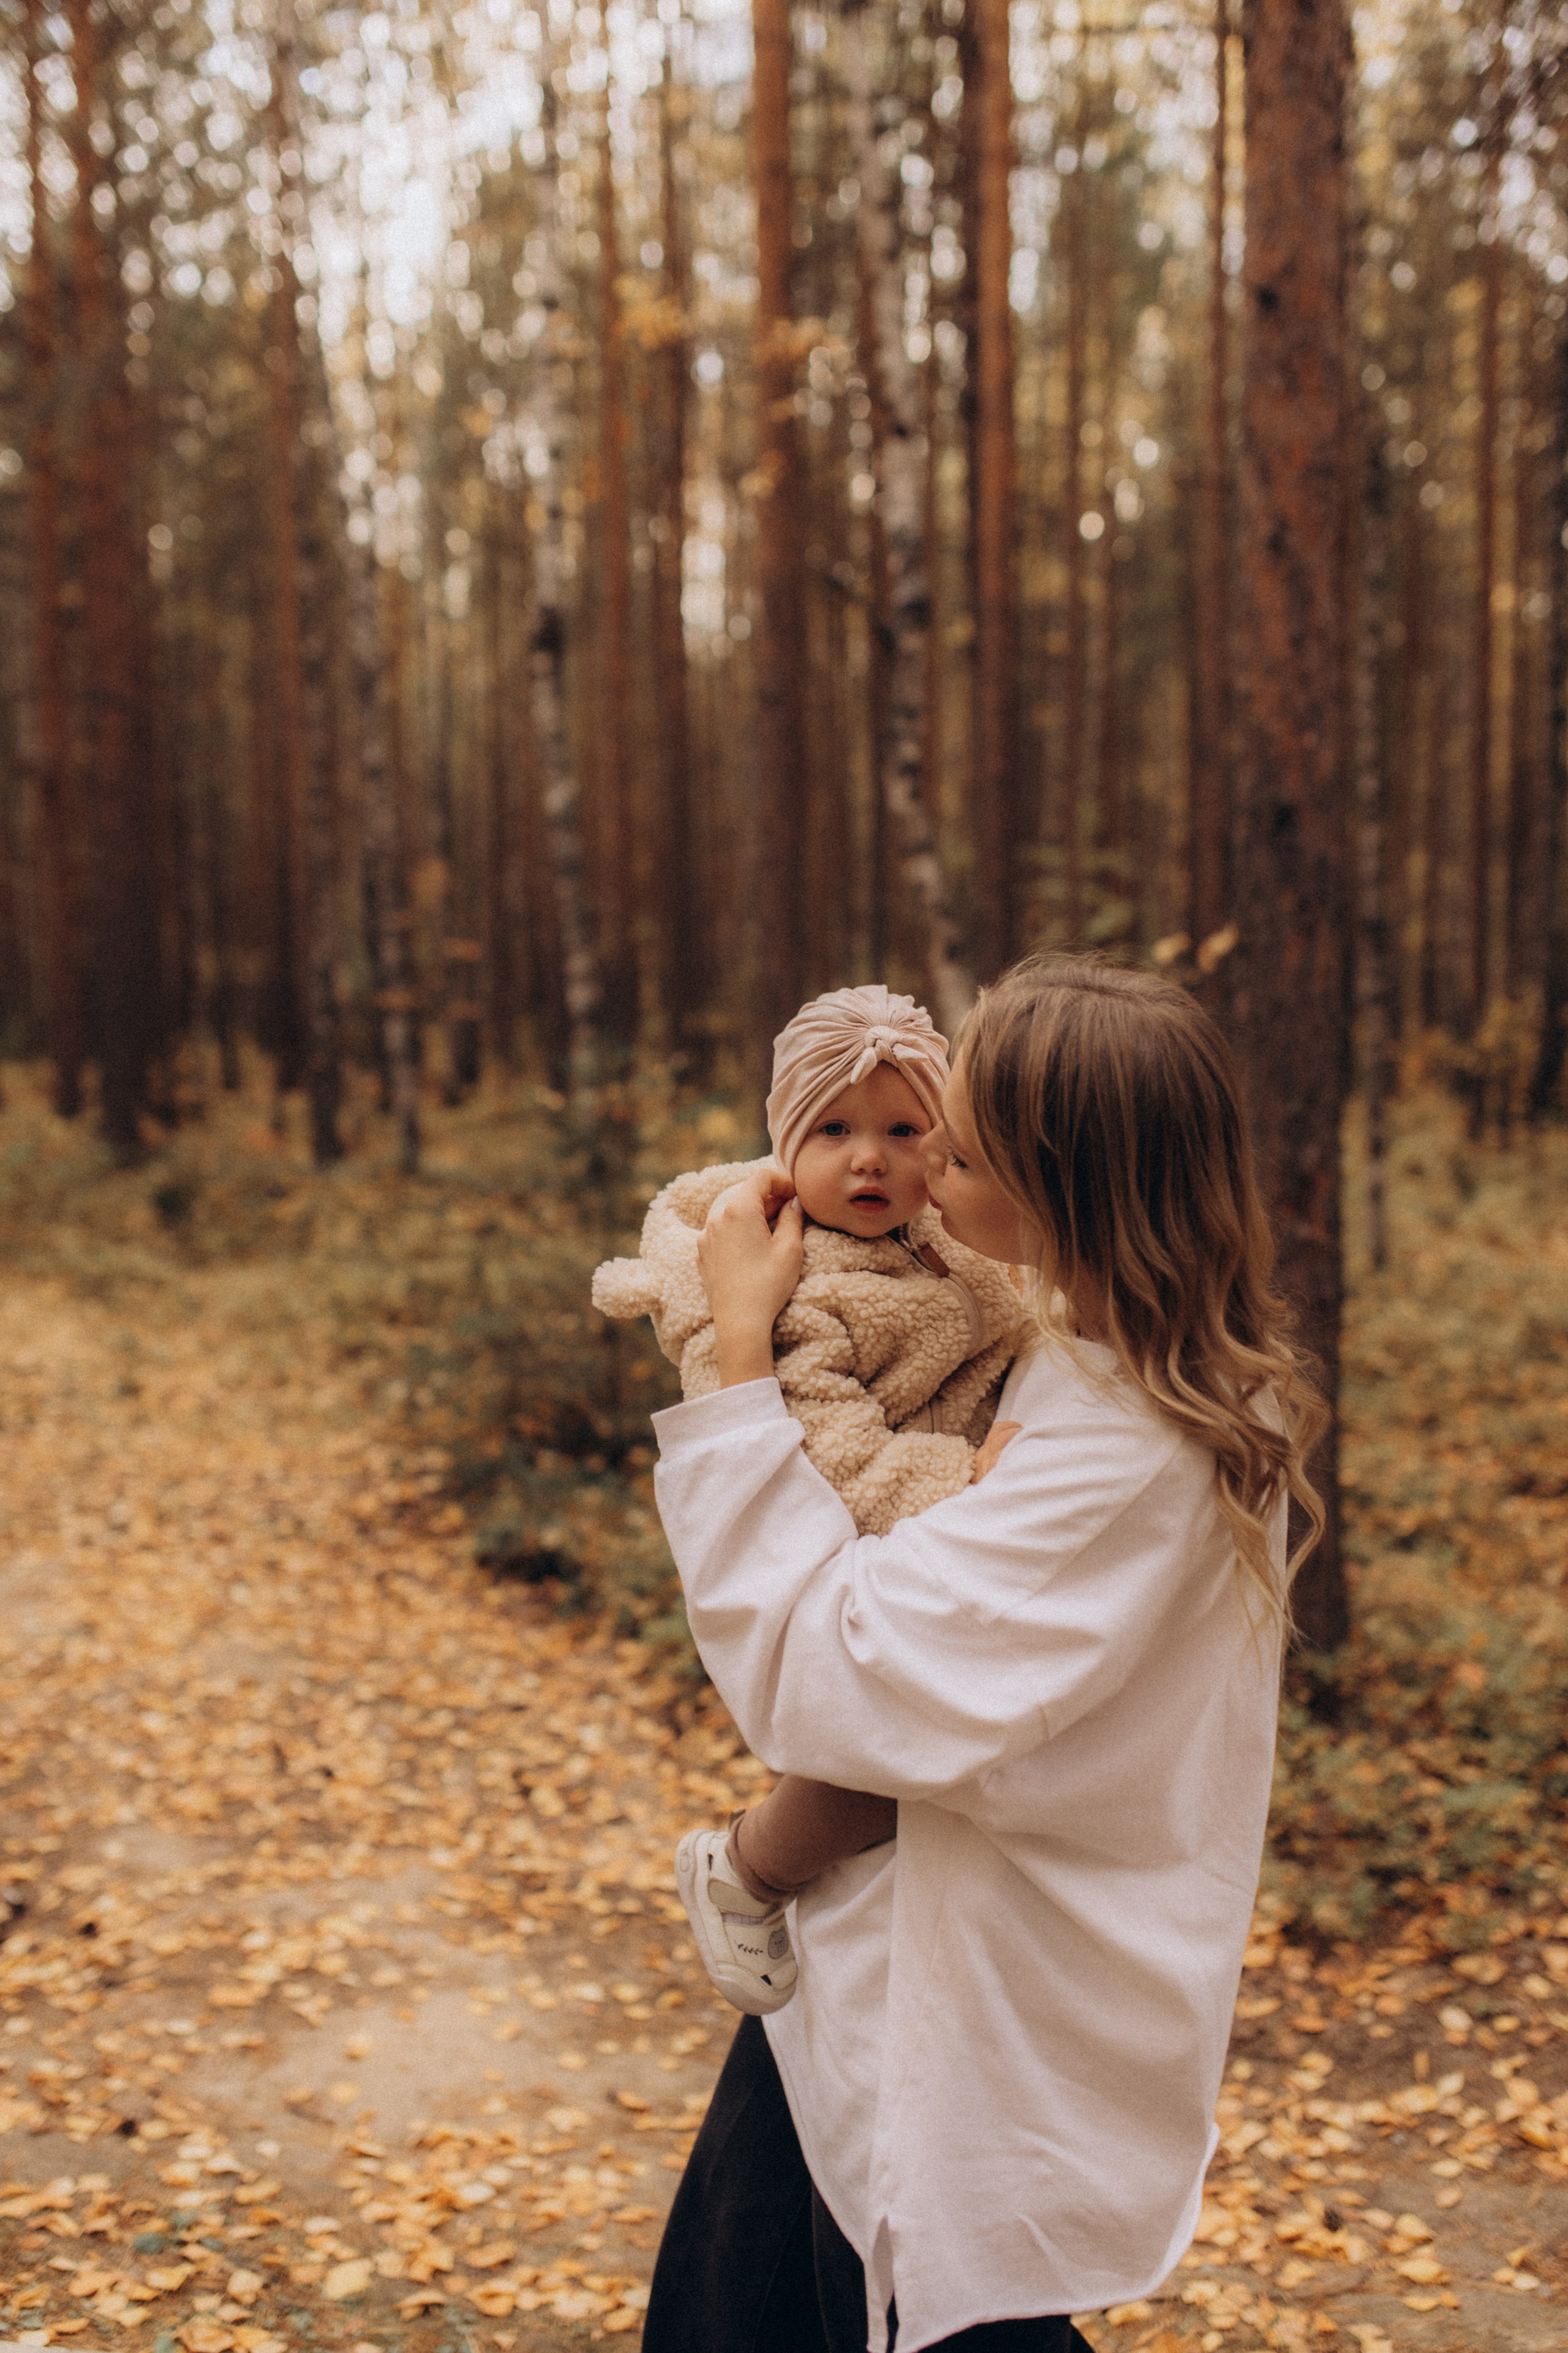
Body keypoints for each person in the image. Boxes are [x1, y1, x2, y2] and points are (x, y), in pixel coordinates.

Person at [640, 959, 1325, 2353]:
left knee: (930, 2315)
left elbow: (842, 1682)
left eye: (963, 1137)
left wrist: (734, 1353)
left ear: (1058, 1181)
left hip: (963, 2004)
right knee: (726, 2308)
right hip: (862, 1952)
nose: (927, 1156)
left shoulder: (1128, 1445)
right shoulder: (1083, 1340)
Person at [594, 986, 1029, 2014]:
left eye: (903, 1129)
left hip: (922, 1538)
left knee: (925, 1762)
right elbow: (830, 1447)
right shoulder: (794, 1282)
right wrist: (958, 1479)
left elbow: (1013, 1317)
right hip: (838, 1535)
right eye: (833, 1130)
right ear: (785, 1142)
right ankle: (747, 1869)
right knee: (877, 1762)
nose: (869, 1159)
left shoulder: (945, 1238)